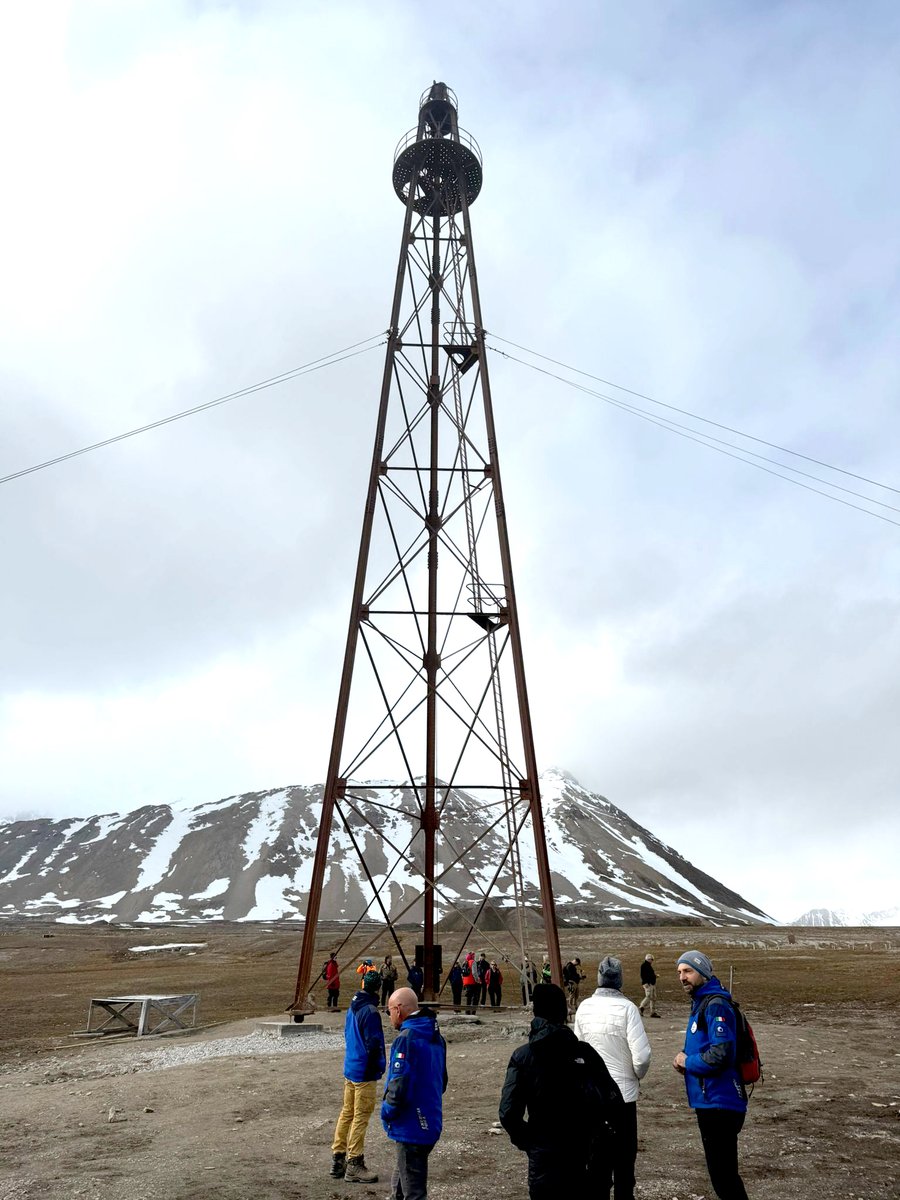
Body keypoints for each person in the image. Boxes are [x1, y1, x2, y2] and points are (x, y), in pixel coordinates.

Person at [499, 982, 623, 1199]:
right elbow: (614, 1101)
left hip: (546, 1155)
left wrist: (531, 1143)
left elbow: (508, 1112)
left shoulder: (523, 1056)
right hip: (585, 1151)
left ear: (536, 1013)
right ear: (563, 1011)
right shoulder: (585, 1052)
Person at [673, 950, 750, 1200]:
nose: (682, 977)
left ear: (703, 973)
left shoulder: (715, 1004)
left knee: (724, 1178)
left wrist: (688, 1061)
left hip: (720, 1101)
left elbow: (721, 1053)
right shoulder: (702, 1003)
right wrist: (686, 1059)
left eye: (688, 971)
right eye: (679, 972)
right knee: (722, 1176)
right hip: (710, 1100)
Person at [574, 955, 651, 1200]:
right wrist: (636, 1077)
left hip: (592, 1098)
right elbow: (641, 1056)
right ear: (619, 980)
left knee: (596, 1162)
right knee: (624, 1163)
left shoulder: (584, 1007)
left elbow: (577, 1053)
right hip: (623, 1097)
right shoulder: (628, 1009)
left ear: (598, 977)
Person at [382, 987, 447, 1200]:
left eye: (390, 1010)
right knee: (402, 1180)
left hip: (411, 1124)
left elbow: (398, 1084)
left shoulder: (406, 1039)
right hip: (430, 1119)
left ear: (399, 1010)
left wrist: (387, 1111)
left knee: (414, 1191)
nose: (389, 1015)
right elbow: (442, 1081)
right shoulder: (436, 1037)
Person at [330, 969, 386, 1183]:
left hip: (351, 1066)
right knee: (361, 1115)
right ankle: (354, 1162)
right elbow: (374, 1044)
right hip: (364, 1071)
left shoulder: (353, 1008)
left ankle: (338, 1158)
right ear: (378, 988)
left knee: (347, 1113)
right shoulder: (370, 1011)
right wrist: (377, 1067)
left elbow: (347, 1034)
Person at [639, 953, 660, 1018]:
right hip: (648, 984)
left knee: (653, 997)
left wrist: (654, 976)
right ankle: (641, 1007)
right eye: (652, 959)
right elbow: (643, 975)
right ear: (649, 959)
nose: (652, 961)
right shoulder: (645, 966)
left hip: (651, 983)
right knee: (648, 996)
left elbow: (648, 975)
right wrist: (645, 983)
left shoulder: (647, 966)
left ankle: (652, 1012)